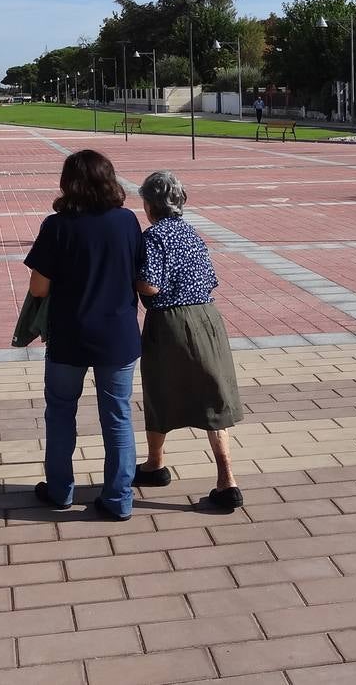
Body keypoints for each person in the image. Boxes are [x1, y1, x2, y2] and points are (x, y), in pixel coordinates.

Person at [24, 149, 145, 521]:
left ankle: (60, 490)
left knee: (61, 412)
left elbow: (39, 288)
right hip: (118, 335)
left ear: (68, 182)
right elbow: (139, 274)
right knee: (118, 416)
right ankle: (119, 499)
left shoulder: (57, 226)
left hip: (70, 335)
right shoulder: (127, 221)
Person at [132, 170, 245, 510]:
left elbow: (150, 286)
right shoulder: (193, 234)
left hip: (170, 323)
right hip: (207, 318)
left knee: (159, 391)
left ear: (151, 204)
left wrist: (131, 279)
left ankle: (155, 463)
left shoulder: (153, 237)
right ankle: (227, 480)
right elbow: (210, 278)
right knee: (214, 394)